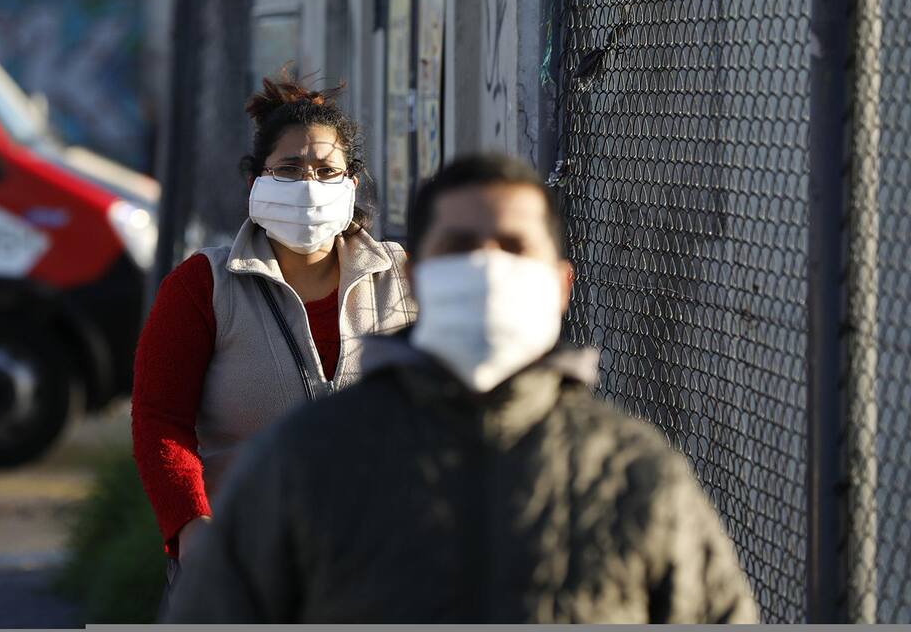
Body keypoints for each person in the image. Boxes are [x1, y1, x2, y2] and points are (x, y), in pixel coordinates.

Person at [165, 153, 758, 624]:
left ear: (561, 284)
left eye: (513, 247)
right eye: (460, 247)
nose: (486, 268)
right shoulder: (304, 463)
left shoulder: (636, 476)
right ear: (417, 277)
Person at [131, 77, 417, 597]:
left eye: (326, 171)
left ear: (351, 185)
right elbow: (159, 419)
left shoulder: (403, 278)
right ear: (254, 183)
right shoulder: (202, 286)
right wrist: (192, 526)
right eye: (288, 170)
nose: (308, 185)